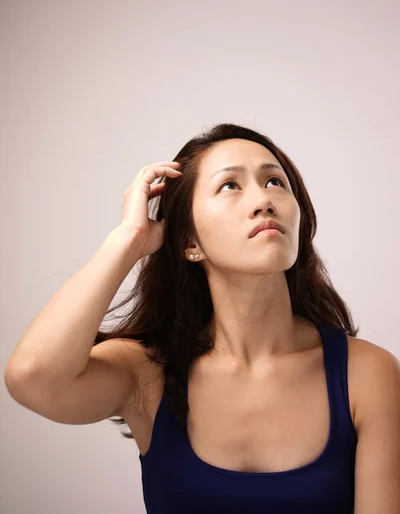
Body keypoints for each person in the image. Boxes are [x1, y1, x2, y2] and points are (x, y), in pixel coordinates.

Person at [5, 123, 400, 513]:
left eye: (275, 182)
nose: (264, 200)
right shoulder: (149, 372)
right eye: (230, 185)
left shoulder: (366, 374)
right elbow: (34, 379)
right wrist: (128, 240)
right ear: (190, 243)